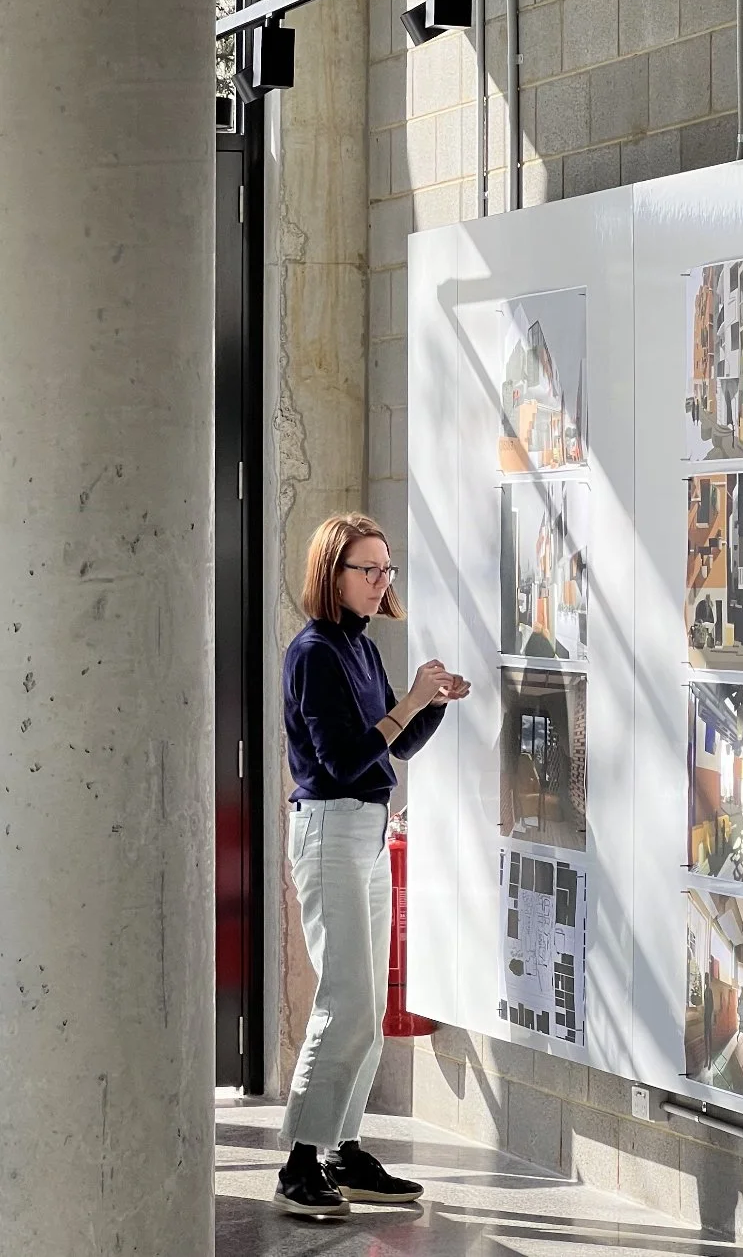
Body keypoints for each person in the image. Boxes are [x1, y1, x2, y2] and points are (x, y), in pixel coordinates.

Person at [273, 513, 470, 1220]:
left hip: (366, 830)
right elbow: (344, 760)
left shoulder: (358, 647)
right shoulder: (314, 652)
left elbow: (398, 746)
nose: (382, 580)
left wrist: (431, 702)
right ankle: (299, 1163)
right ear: (334, 573)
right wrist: (410, 700)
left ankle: (342, 1151)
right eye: (369, 569)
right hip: (328, 830)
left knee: (367, 1006)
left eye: (387, 568)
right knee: (347, 1000)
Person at [703, 973, 714, 1071]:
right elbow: (705, 1006)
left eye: (707, 979)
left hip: (709, 1018)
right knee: (705, 1039)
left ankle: (710, 1060)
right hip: (705, 1018)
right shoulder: (705, 991)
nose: (706, 981)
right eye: (705, 979)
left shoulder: (710, 991)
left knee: (710, 1039)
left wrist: (711, 1019)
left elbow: (712, 1006)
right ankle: (706, 1059)